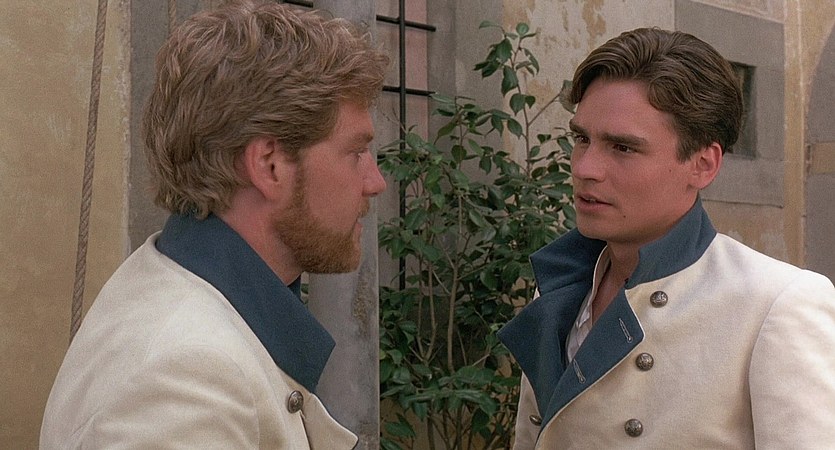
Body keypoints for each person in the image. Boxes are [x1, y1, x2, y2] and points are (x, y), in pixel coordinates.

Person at [40, 1, 388, 448]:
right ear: (269, 165)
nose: (375, 182)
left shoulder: (175, 289)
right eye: (355, 152)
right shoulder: (185, 378)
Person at [498, 27, 835, 448]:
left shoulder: (776, 304)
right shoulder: (560, 287)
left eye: (622, 148)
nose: (584, 168)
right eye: (581, 139)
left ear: (703, 164)